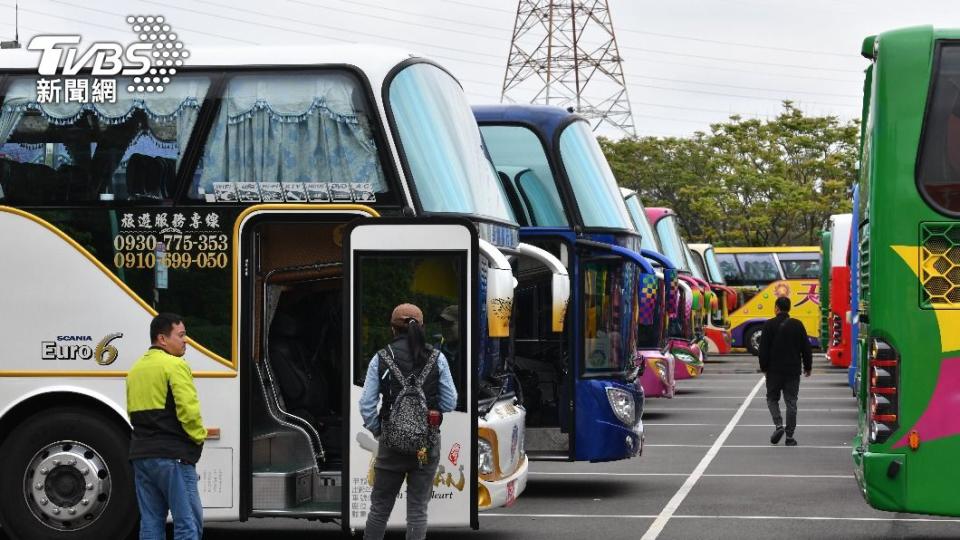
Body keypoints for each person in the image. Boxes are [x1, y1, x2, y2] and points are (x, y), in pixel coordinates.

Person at [359, 303, 457, 540]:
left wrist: (379, 432)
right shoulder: (437, 358)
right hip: (426, 444)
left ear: (392, 329)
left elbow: (366, 404)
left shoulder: (381, 358)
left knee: (379, 509)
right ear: (422, 327)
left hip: (390, 445)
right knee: (417, 511)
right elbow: (450, 401)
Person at [126, 313, 206, 540]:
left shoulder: (135, 370)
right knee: (187, 523)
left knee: (151, 523)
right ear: (162, 339)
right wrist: (198, 438)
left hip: (142, 457)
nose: (186, 340)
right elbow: (188, 412)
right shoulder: (174, 365)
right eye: (181, 335)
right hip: (173, 456)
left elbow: (133, 413)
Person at [758, 296, 813, 446]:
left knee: (771, 399)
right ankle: (789, 437)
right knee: (791, 402)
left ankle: (778, 425)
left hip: (774, 371)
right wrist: (808, 367)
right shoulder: (798, 325)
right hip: (793, 371)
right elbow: (806, 349)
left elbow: (763, 349)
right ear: (789, 308)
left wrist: (764, 367)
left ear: (776, 308)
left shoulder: (769, 325)